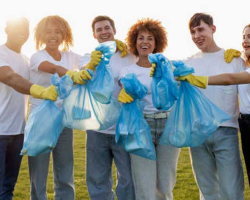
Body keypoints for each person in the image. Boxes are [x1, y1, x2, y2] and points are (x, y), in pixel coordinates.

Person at [175, 13, 245, 200]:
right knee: (207, 192)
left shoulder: (234, 59)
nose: (196, 35)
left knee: (232, 191)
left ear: (213, 29)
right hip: (198, 134)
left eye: (201, 29)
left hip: (226, 131)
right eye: (192, 32)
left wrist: (244, 54)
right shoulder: (188, 63)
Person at [28, 15, 91, 200]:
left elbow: (86, 61)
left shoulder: (70, 56)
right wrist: (71, 74)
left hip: (63, 121)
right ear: (41, 35)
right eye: (48, 32)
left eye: (57, 31)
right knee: (38, 175)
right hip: (40, 122)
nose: (53, 35)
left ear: (65, 35)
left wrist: (88, 66)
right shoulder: (37, 56)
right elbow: (52, 68)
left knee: (65, 173)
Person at [118, 18, 180, 200]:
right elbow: (126, 85)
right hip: (140, 127)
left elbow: (175, 90)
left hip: (168, 125)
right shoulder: (127, 69)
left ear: (156, 43)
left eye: (150, 38)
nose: (145, 42)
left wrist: (166, 74)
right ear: (134, 43)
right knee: (144, 186)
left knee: (165, 185)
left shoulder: (167, 67)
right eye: (141, 38)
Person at [0, 17, 58, 200]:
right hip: (0, 132)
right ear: (7, 29)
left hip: (19, 132)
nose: (21, 33)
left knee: (8, 187)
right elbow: (9, 77)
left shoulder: (26, 60)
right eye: (17, 29)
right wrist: (39, 90)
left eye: (25, 30)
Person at [79, 15, 136, 200]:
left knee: (128, 180)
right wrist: (92, 64)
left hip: (124, 127)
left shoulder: (128, 55)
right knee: (98, 180)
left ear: (114, 30)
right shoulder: (89, 56)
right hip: (97, 129)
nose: (104, 32)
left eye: (107, 28)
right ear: (94, 34)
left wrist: (129, 46)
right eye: (99, 29)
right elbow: (82, 75)